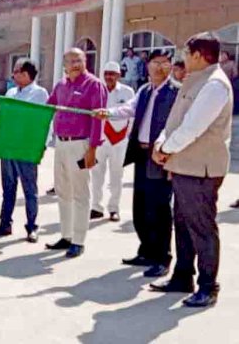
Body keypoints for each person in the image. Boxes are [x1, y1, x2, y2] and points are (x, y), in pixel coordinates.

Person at [151, 34, 234, 308]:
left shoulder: (214, 85)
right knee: (183, 224)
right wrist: (162, 141)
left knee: (202, 228)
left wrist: (166, 149)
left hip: (201, 169)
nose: (183, 58)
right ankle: (182, 277)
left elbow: (193, 127)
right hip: (185, 164)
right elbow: (175, 120)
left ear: (199, 55)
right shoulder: (194, 80)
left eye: (186, 53)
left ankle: (208, 286)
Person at [94, 50, 179, 278]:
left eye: (165, 63)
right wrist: (108, 113)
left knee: (160, 209)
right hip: (141, 155)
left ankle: (163, 258)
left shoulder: (176, 93)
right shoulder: (144, 90)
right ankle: (146, 251)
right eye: (156, 63)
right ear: (148, 65)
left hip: (161, 157)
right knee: (141, 206)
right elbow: (128, 108)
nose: (161, 67)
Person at [45, 48, 107, 258]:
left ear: (85, 61)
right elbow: (48, 107)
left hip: (81, 145)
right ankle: (66, 235)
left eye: (79, 60)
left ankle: (79, 240)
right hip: (61, 144)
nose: (75, 64)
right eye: (71, 61)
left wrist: (93, 149)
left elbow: (98, 119)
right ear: (64, 64)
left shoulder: (94, 85)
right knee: (63, 191)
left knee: (80, 193)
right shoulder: (61, 85)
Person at [0, 59, 49, 243]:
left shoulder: (40, 94)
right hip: (8, 146)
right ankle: (5, 223)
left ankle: (32, 227)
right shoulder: (11, 92)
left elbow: (44, 121)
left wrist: (42, 144)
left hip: (27, 147)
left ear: (25, 74)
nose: (13, 75)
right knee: (8, 187)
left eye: (16, 72)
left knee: (30, 188)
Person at [90, 62, 135, 222]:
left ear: (118, 75)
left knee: (116, 176)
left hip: (119, 140)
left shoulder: (127, 92)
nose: (109, 77)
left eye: (112, 74)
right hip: (100, 139)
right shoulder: (97, 90)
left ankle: (114, 208)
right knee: (96, 174)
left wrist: (128, 136)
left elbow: (132, 115)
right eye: (106, 73)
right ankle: (96, 207)